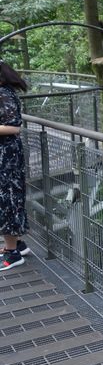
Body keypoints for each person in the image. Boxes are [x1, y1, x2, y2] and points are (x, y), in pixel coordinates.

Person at [0, 60, 30, 271]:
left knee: (8, 198)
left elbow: (14, 127)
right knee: (9, 197)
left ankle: (13, 253)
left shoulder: (3, 93)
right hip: (6, 154)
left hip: (7, 155)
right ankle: (16, 244)